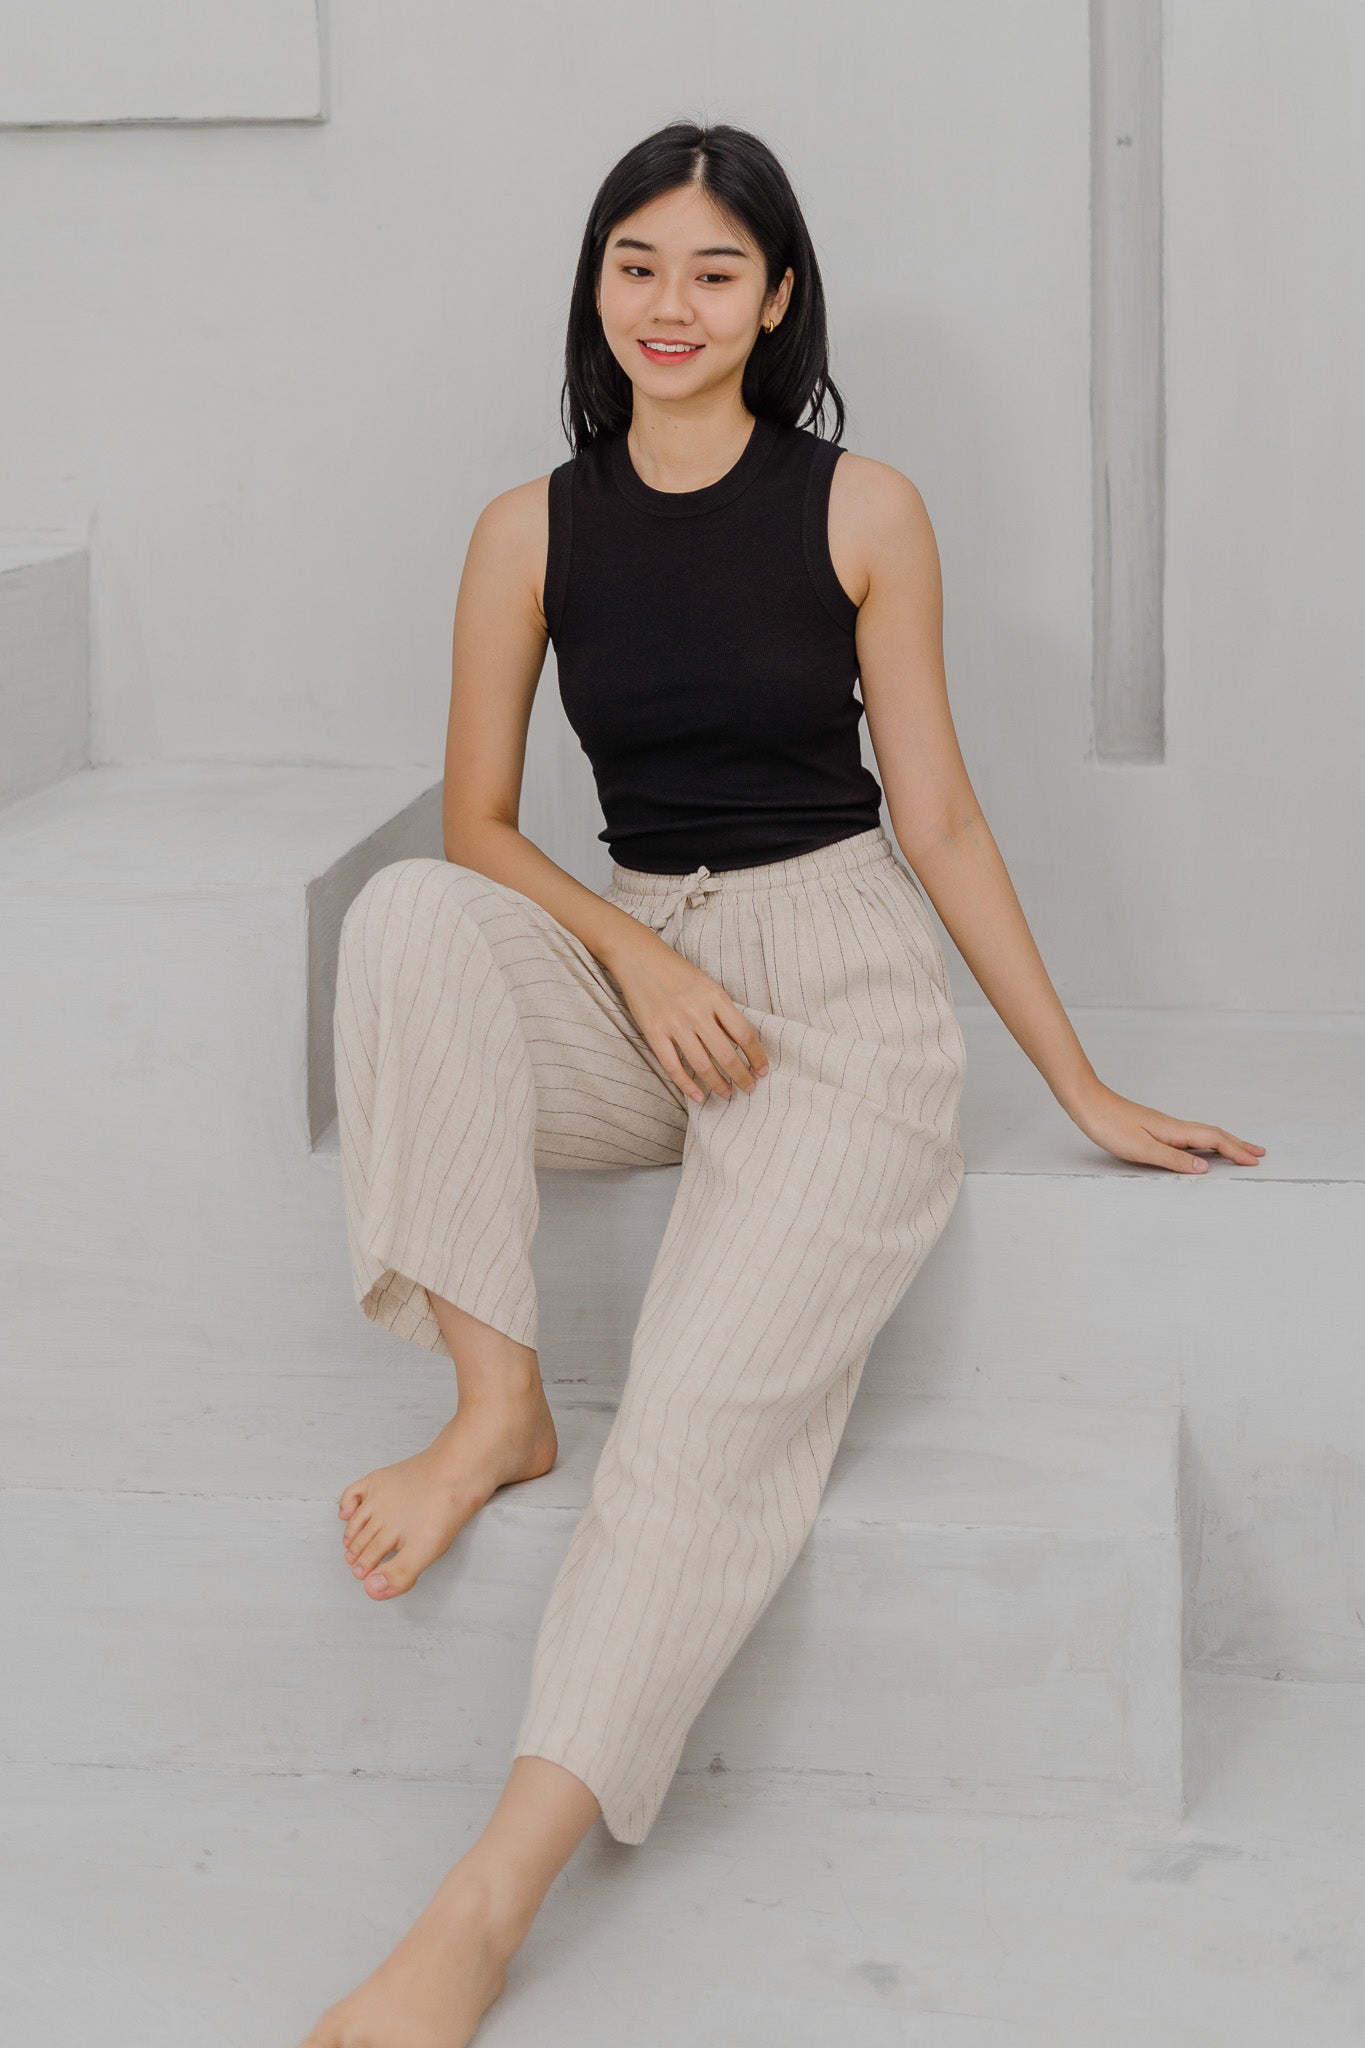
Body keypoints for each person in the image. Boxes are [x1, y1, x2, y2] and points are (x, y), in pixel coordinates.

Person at [300, 119, 1264, 2048]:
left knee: (694, 1418)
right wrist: (639, 954)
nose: (669, 303)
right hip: (640, 980)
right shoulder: (526, 530)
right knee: (404, 914)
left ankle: (484, 1908)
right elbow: (479, 825)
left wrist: (1073, 1084)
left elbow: (944, 822)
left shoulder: (863, 509)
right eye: (636, 263)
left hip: (835, 1002)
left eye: (713, 270)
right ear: (596, 283)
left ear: (776, 298)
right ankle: (495, 1404)